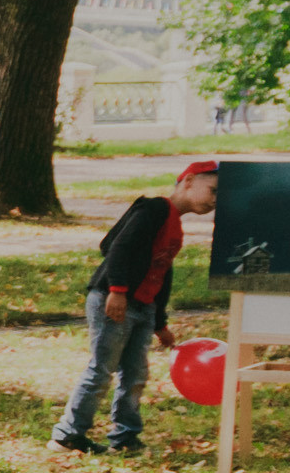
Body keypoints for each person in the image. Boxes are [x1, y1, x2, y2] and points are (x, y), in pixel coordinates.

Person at [49, 161, 218, 455]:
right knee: (102, 369)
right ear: (188, 181)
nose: (215, 200)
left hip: (143, 307)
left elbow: (162, 274)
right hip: (114, 300)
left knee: (136, 373)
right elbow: (118, 247)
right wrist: (117, 290)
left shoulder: (174, 224)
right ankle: (67, 435)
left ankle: (125, 437)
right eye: (213, 191)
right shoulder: (154, 209)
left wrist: (160, 323)